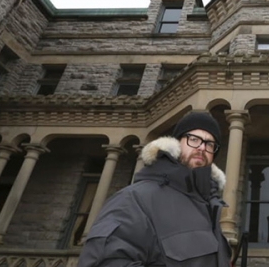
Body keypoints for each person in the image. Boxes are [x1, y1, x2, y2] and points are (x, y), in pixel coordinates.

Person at [78, 112, 231, 267]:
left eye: (210, 144)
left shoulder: (209, 207)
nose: (202, 148)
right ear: (176, 144)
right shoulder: (135, 199)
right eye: (194, 139)